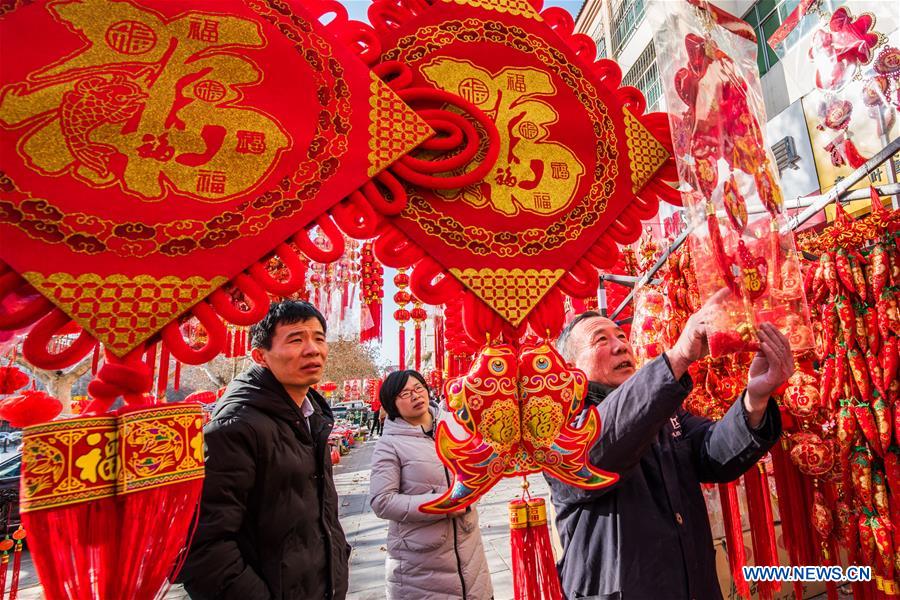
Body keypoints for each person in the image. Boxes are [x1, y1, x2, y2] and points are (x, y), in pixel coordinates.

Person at [547, 290, 791, 599]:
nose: (621, 345)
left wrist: (755, 398)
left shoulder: (664, 412)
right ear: (570, 368)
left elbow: (713, 453)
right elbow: (603, 442)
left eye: (621, 336)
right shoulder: (560, 428)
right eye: (601, 340)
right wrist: (678, 357)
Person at [179, 301, 350, 600]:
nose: (313, 349)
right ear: (260, 356)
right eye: (296, 339)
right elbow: (204, 550)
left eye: (319, 338)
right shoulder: (235, 427)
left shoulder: (313, 418)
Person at [369, 370, 493, 600]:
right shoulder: (389, 445)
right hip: (420, 565)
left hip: (470, 554)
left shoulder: (455, 425)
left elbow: (475, 471)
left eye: (418, 388)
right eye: (405, 393)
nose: (415, 395)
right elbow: (382, 501)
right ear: (392, 404)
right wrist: (443, 503)